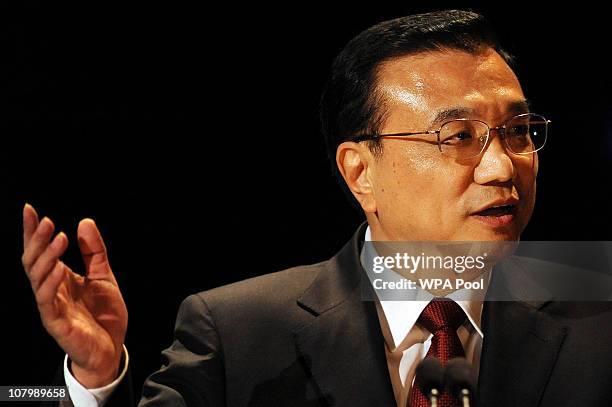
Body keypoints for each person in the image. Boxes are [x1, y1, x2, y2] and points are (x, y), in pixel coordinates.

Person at [22, 10, 612, 407]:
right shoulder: (236, 331)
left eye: (518, 130)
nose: (503, 166)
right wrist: (92, 383)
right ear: (361, 172)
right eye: (457, 136)